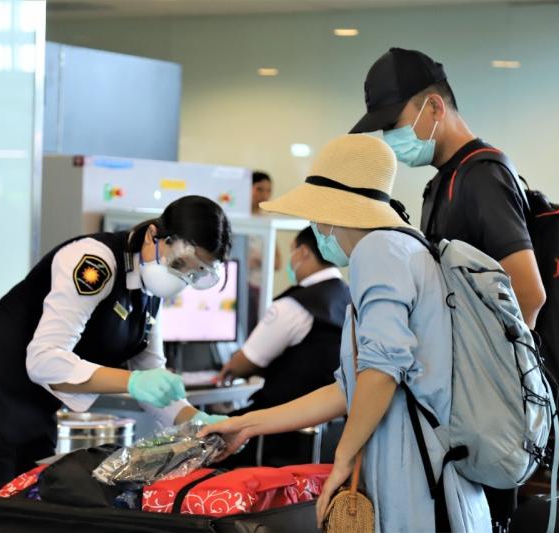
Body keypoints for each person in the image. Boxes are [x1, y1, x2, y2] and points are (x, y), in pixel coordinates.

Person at [202, 134, 491, 532]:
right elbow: (348, 389)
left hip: (415, 482)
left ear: (331, 213)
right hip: (442, 480)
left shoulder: (378, 252)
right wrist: (247, 424)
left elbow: (379, 373)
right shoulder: (409, 248)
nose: (319, 229)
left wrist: (343, 459)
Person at [0, 195, 231, 511]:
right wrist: (132, 381)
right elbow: (44, 359)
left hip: (32, 410)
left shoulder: (150, 293)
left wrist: (202, 424)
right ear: (154, 235)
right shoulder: (94, 260)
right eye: (178, 263)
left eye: (193, 275)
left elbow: (153, 381)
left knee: (22, 517)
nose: (180, 278)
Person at [350, 47, 544, 530]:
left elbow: (528, 294)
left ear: (435, 107)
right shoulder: (443, 182)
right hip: (452, 420)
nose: (391, 138)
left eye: (396, 123)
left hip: (482, 416)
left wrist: (485, 394)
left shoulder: (482, 176)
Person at [217, 226, 350, 465]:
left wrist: (229, 367)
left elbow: (245, 363)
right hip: (331, 432)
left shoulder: (293, 305)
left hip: (279, 431)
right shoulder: (350, 296)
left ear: (304, 252)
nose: (291, 260)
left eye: (292, 252)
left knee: (208, 434)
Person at [247, 171, 281, 332]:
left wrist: (259, 259)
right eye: (260, 189)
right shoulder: (238, 219)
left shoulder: (267, 223)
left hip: (261, 288)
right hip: (243, 287)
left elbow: (278, 262)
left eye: (268, 190)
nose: (264, 195)